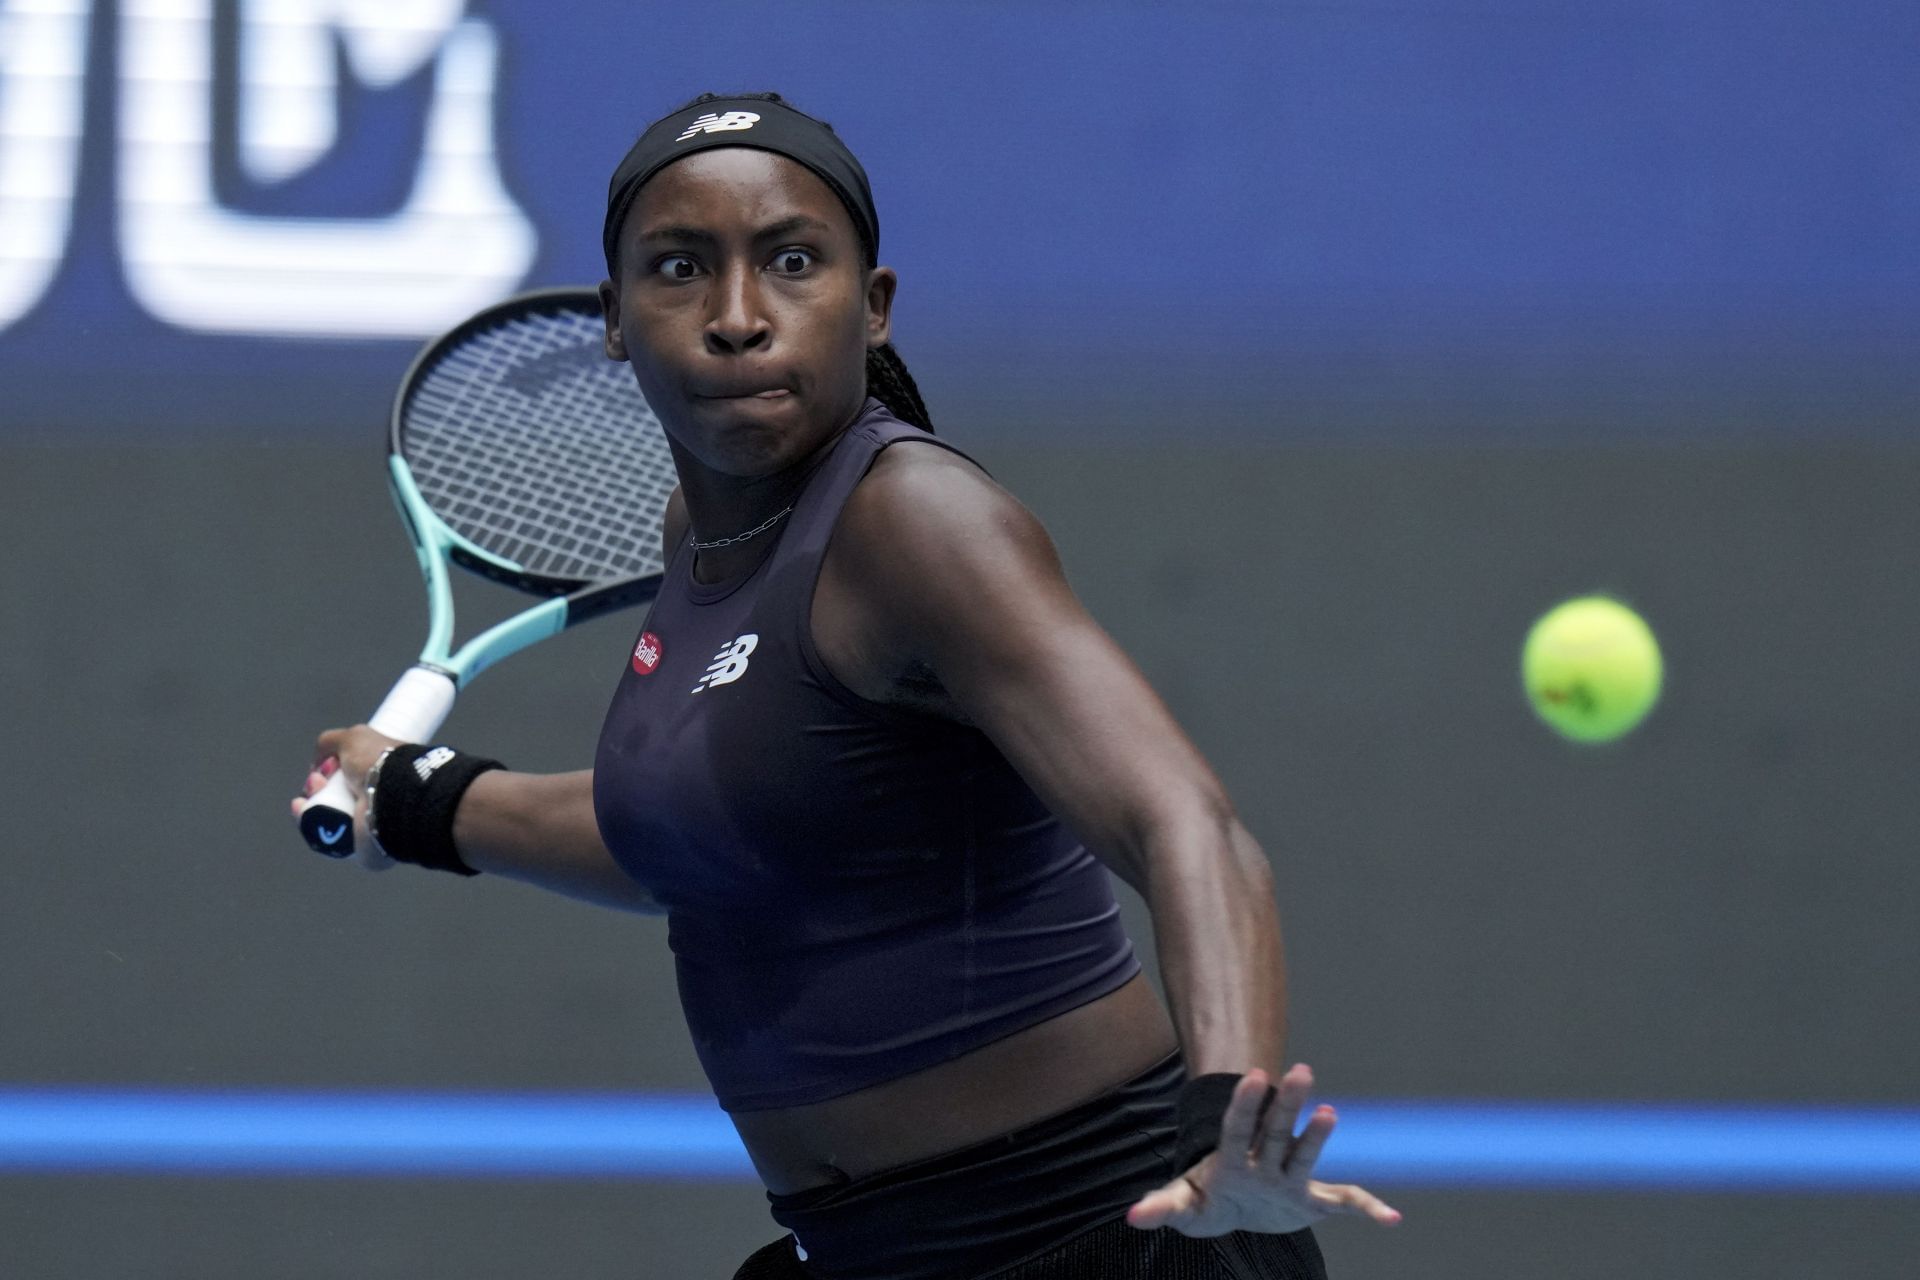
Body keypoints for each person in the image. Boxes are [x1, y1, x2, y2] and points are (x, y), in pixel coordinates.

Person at [295, 92, 1399, 1280]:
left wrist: (1224, 1114)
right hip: (870, 1254)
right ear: (615, 322)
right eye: (680, 268)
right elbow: (699, 828)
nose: (737, 317)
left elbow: (1185, 822)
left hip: (1107, 1239)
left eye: (791, 262)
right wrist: (418, 798)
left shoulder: (914, 521)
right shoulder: (703, 536)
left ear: (870, 308)